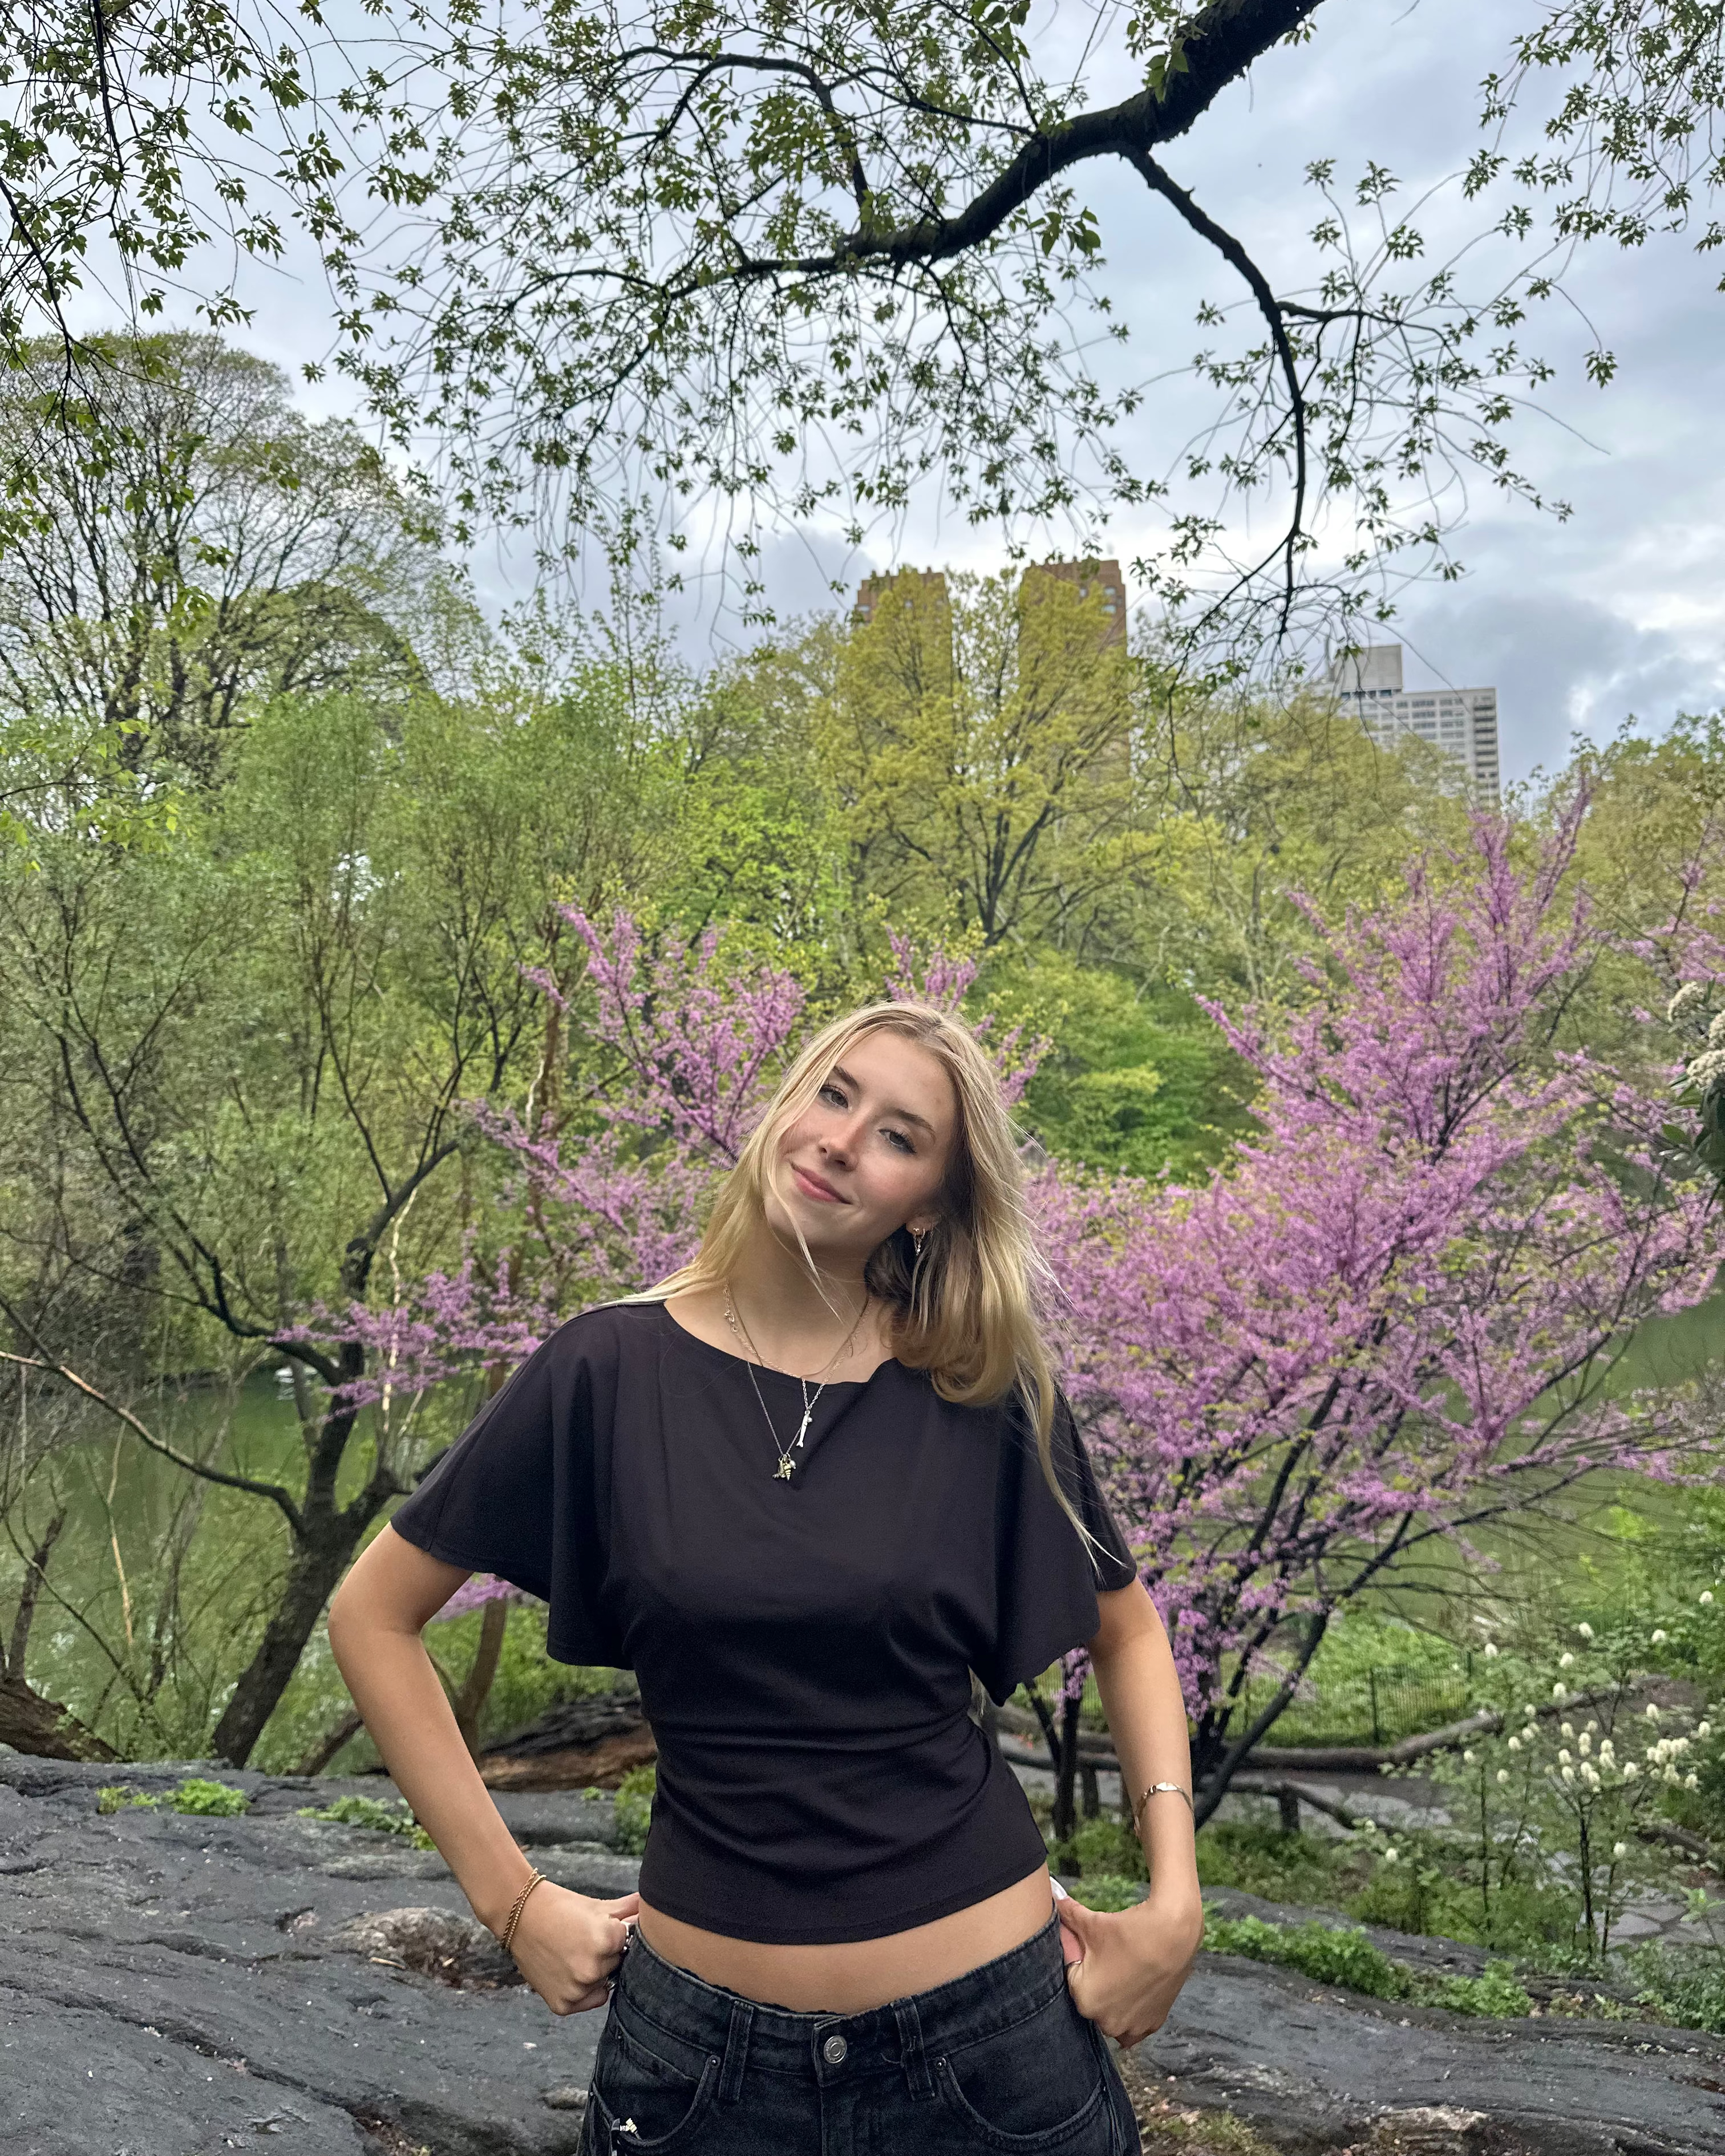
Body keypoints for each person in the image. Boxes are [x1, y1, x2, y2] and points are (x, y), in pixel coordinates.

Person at [328, 999, 1202, 2154]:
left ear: (933, 1203)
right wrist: (516, 1904)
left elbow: (1128, 1629)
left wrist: (1175, 1899)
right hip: (698, 2070)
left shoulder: (979, 1387)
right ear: (785, 1108)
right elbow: (370, 1616)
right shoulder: (606, 1366)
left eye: (899, 1135)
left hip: (993, 2053)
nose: (844, 1140)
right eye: (833, 1095)